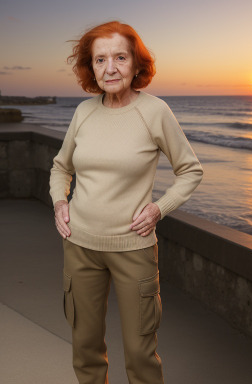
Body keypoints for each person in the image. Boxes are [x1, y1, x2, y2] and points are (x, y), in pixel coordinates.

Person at [49, 20, 203, 384]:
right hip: (80, 246)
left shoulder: (155, 112)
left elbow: (191, 171)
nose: (110, 68)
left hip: (133, 248)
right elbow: (60, 167)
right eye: (100, 60)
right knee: (85, 348)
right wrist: (60, 203)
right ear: (91, 68)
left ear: (137, 64)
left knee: (140, 354)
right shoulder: (83, 113)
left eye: (120, 57)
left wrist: (157, 209)